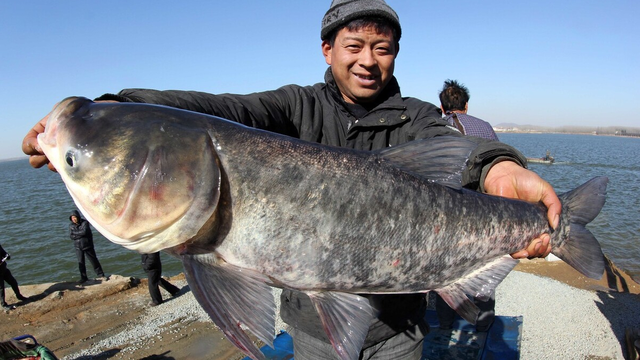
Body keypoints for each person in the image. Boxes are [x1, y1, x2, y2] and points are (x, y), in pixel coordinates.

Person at [23, 0, 558, 358]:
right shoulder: (295, 106)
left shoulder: (417, 117)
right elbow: (217, 108)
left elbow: (469, 153)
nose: (368, 61)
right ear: (328, 50)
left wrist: (502, 166)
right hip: (311, 322)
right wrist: (117, 106)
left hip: (401, 326)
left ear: (395, 55)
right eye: (354, 46)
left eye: (382, 48)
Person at [436, 79, 499, 332]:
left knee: (444, 271)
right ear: (467, 105)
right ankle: (483, 324)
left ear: (442, 107)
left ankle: (445, 324)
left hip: (447, 215)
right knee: (485, 267)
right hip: (483, 213)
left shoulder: (437, 127)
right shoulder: (484, 127)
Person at [68, 210, 107, 284]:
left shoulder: (85, 223)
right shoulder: (71, 226)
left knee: (94, 261)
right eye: (72, 218)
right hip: (78, 247)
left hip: (87, 246)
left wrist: (75, 233)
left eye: (74, 217)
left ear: (78, 217)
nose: (73, 219)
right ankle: (83, 278)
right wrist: (79, 234)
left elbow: (84, 232)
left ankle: (101, 275)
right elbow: (71, 236)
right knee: (81, 263)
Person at [0, 244, 28, 311]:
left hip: (4, 269)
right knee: (1, 288)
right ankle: (4, 304)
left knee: (13, 282)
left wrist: (7, 255)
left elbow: (3, 252)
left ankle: (19, 296)